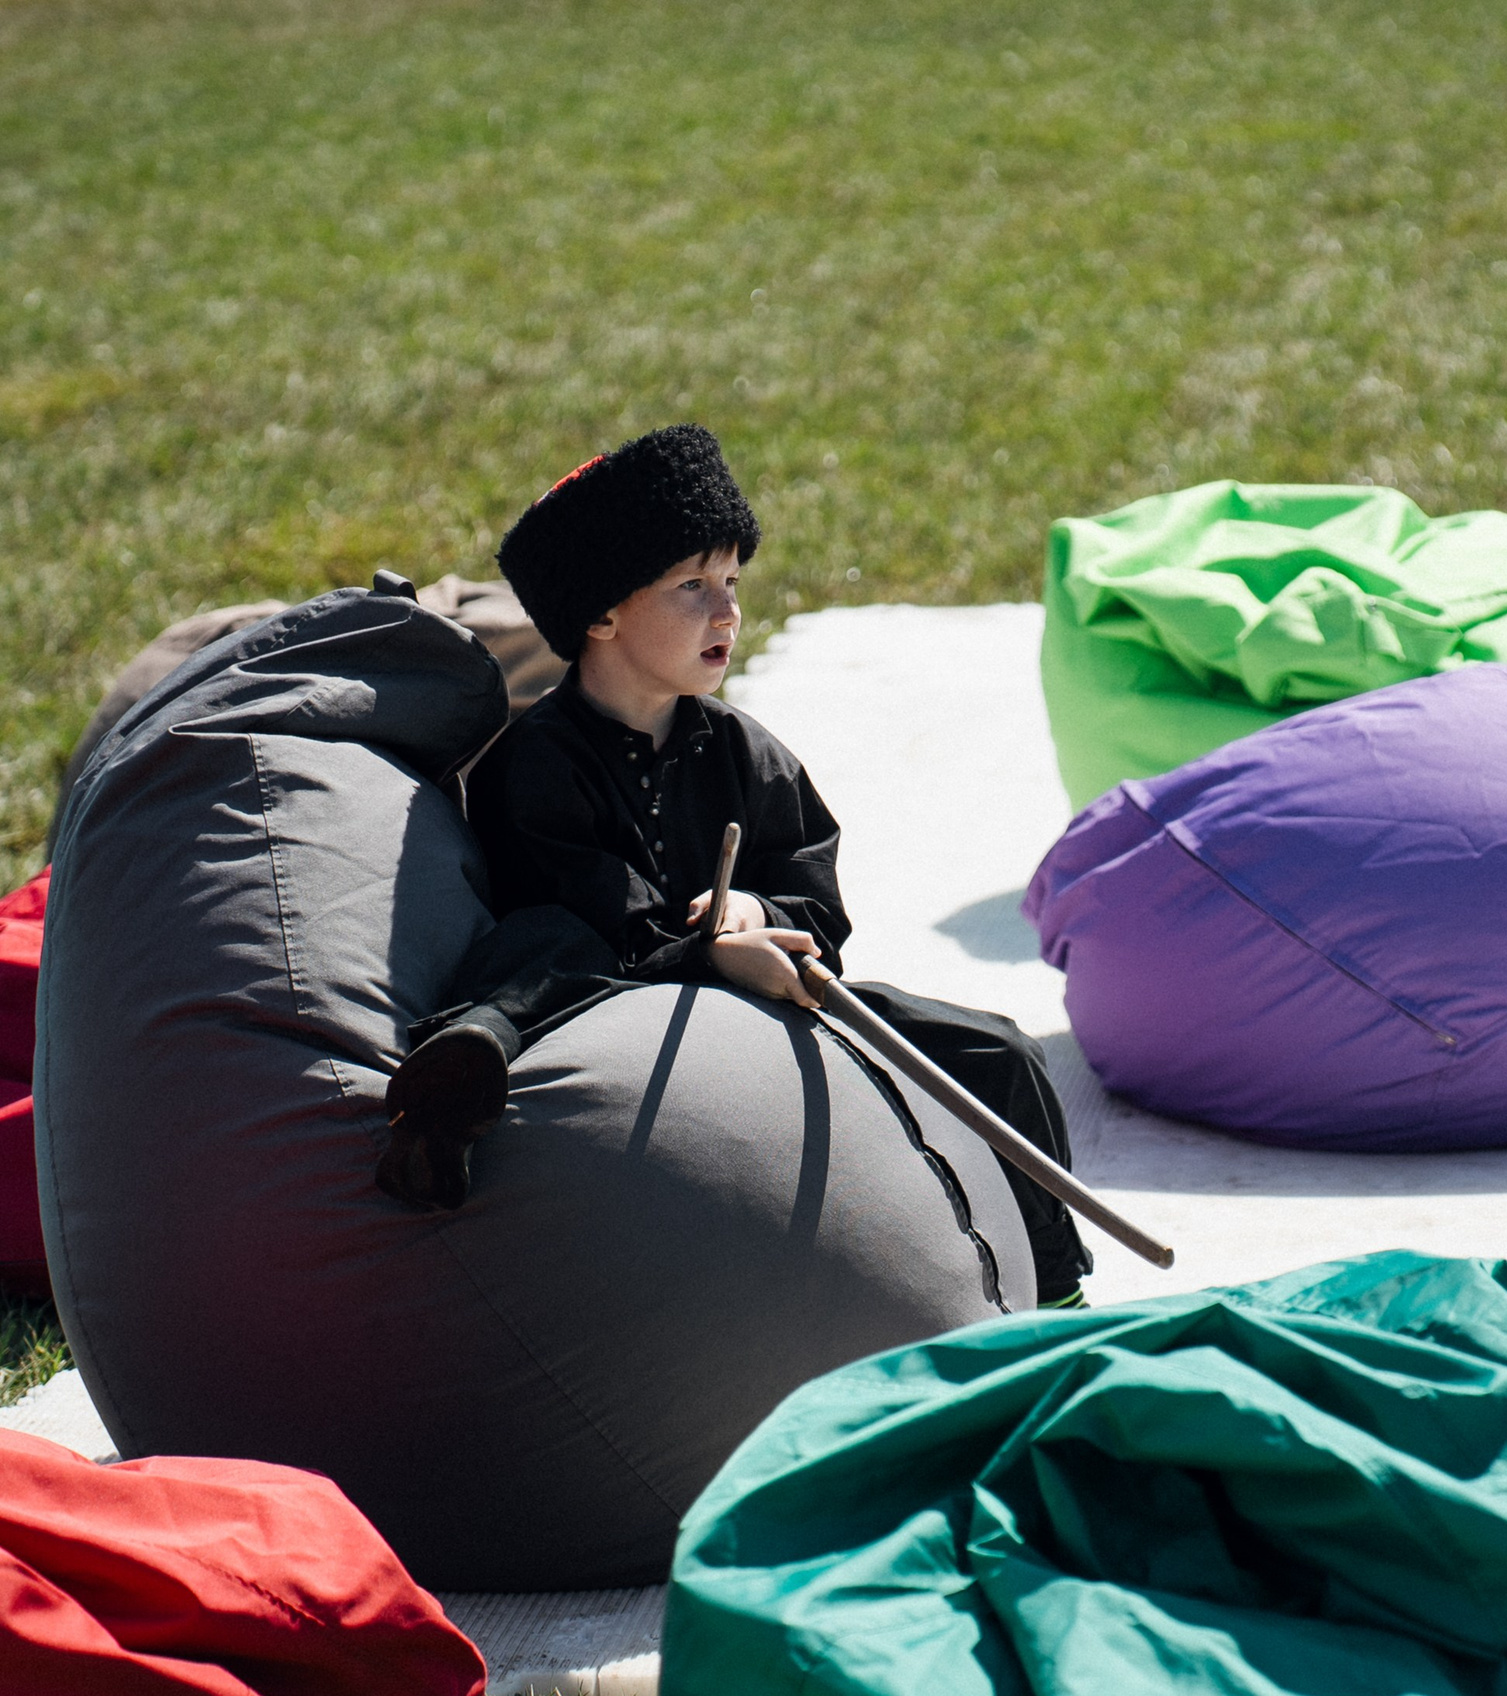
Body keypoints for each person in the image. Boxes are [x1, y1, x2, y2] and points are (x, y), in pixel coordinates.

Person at [378, 424, 1092, 1306]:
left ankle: (1056, 1292)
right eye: (691, 586)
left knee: (998, 1052)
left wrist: (759, 910)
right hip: (611, 1008)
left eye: (732, 583)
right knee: (545, 943)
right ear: (600, 613)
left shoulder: (740, 750)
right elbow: (592, 915)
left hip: (768, 1005)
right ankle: (461, 1071)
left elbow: (808, 877)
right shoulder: (536, 763)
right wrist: (709, 950)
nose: (728, 612)